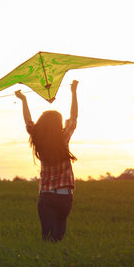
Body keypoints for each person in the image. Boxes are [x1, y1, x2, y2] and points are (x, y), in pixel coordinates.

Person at [14, 80, 78, 242]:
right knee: (58, 239)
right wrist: (73, 91)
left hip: (47, 198)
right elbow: (74, 117)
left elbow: (28, 121)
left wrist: (23, 100)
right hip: (66, 198)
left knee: (48, 239)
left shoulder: (38, 139)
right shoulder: (63, 139)